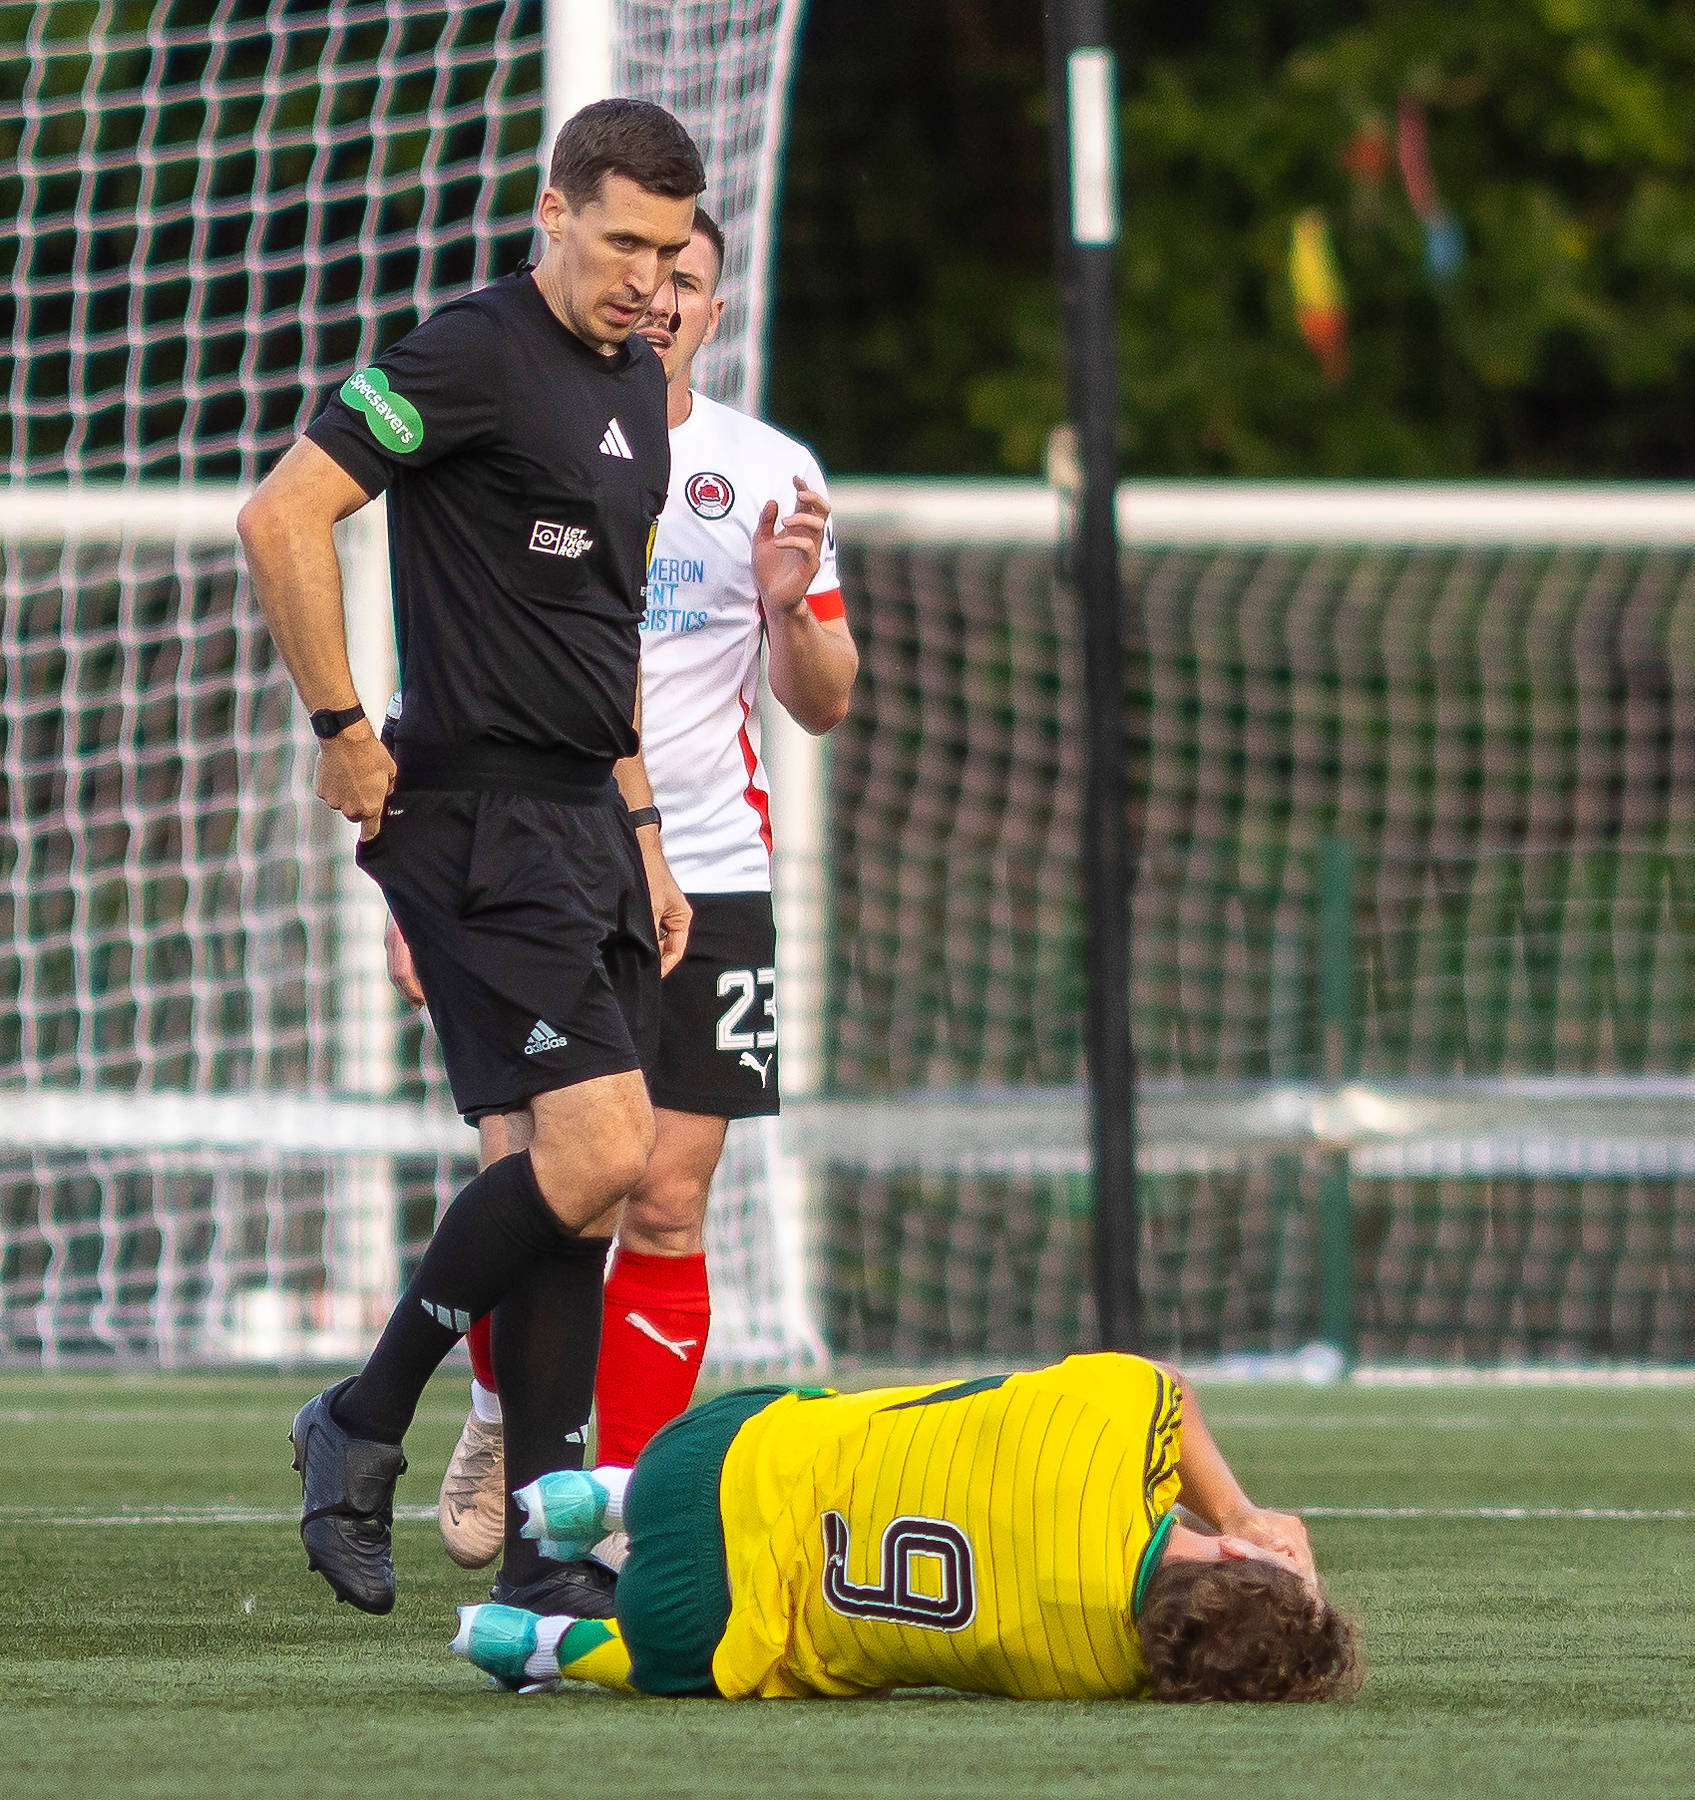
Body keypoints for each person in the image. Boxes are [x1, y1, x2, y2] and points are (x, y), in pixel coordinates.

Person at [239, 99, 710, 1618]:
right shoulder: (471, 351)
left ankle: (545, 1560)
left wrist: (643, 831)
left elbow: (602, 640)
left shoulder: (637, 384)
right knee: (607, 1151)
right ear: (551, 212)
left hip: (586, 824)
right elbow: (282, 514)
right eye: (622, 243)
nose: (646, 280)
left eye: (669, 255)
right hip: (476, 817)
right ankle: (364, 1412)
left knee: (565, 1191)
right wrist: (339, 724)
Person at [394, 207, 850, 1571]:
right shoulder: (526, 425)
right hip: (535, 852)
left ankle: (618, 1517)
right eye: (644, 272)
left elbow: (824, 702)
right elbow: (454, 669)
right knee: (548, 1179)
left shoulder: (767, 471)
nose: (661, 299)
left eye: (687, 281)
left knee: (664, 1197)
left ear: (714, 308)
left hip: (713, 867)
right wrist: (416, 892)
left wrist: (787, 605)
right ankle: (497, 1418)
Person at [449, 1354, 1365, 1705]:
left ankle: (596, 1498)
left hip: (707, 1457)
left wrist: (1239, 1512)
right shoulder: (1095, 1672)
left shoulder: (1107, 1430)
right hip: (695, 1631)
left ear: (1238, 1555)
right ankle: (539, 1648)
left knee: (837, 1423)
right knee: (711, 1667)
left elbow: (1166, 1385)